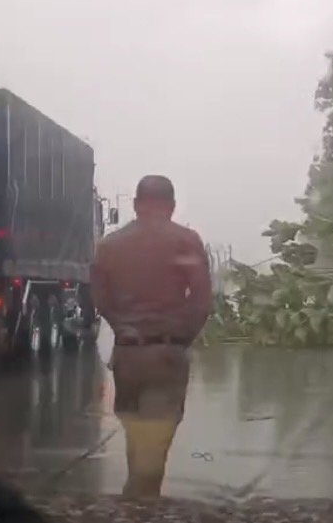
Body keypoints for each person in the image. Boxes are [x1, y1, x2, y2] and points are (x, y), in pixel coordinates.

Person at [90, 175, 212, 498]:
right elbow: (202, 300)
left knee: (137, 440)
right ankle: (140, 506)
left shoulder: (110, 245)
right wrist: (180, 339)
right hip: (166, 356)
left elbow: (101, 300)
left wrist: (125, 329)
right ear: (171, 206)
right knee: (153, 450)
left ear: (135, 205)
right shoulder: (185, 241)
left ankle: (136, 503)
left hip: (127, 357)